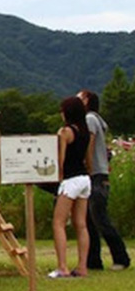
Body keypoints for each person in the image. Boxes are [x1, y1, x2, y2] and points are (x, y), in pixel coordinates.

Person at [78, 90, 131, 271]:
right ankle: (93, 261)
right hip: (99, 173)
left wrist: (86, 165)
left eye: (79, 98)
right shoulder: (98, 119)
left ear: (86, 101)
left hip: (95, 174)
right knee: (90, 219)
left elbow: (89, 144)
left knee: (99, 218)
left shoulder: (90, 119)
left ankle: (121, 258)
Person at [49, 96, 92, 279]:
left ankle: (62, 267)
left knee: (58, 223)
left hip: (70, 180)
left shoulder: (65, 132)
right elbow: (88, 159)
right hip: (84, 179)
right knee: (81, 225)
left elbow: (60, 160)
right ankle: (82, 267)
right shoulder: (86, 132)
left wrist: (57, 180)